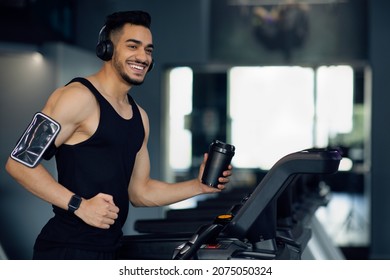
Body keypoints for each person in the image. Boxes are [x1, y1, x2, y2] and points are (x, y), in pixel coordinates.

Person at [5, 10, 232, 260]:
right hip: (66, 250)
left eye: (148, 49)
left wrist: (197, 186)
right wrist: (79, 205)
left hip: (111, 249)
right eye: (132, 46)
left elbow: (140, 192)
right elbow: (19, 163)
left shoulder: (139, 117)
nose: (142, 57)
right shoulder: (75, 97)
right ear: (108, 49)